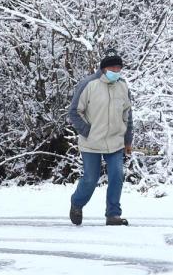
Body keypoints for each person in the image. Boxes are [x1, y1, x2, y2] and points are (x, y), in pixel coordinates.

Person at [67, 48, 133, 226]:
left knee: (117, 175)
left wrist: (128, 140)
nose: (116, 72)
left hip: (115, 141)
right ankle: (77, 204)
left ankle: (113, 214)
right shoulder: (89, 84)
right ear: (104, 69)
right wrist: (87, 131)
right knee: (90, 178)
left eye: (119, 69)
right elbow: (73, 112)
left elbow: (127, 115)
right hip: (91, 142)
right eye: (113, 69)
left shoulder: (123, 86)